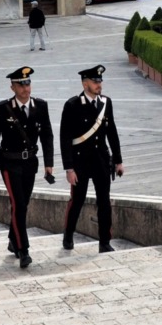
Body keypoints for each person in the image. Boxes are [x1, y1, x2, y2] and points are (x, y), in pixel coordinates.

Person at [0, 66, 54, 270]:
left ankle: (13, 239)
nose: (25, 88)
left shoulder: (40, 106)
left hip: (30, 163)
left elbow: (47, 135)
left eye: (28, 83)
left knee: (22, 204)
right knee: (20, 205)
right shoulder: (3, 109)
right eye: (21, 85)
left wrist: (49, 164)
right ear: (12, 87)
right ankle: (23, 250)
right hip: (9, 163)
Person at [60, 64, 123, 253]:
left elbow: (112, 132)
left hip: (102, 161)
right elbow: (65, 138)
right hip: (80, 162)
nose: (99, 85)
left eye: (100, 81)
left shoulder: (106, 103)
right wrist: (69, 168)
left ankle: (105, 241)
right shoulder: (72, 105)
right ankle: (68, 234)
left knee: (104, 201)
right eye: (95, 82)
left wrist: (118, 160)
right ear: (84, 83)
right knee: (77, 200)